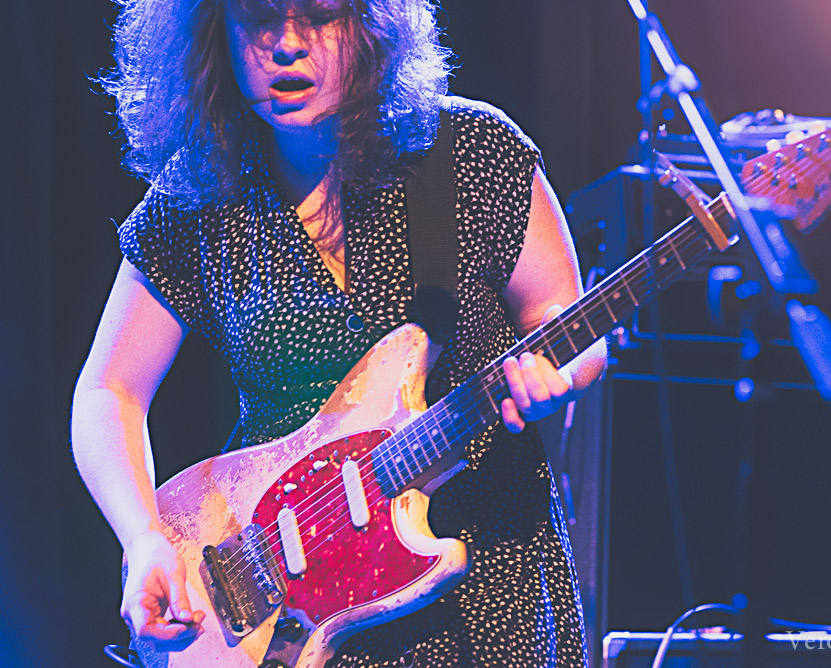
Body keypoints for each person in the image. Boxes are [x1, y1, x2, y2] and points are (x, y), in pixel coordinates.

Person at [71, 0, 607, 665]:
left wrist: (561, 376)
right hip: (286, 614)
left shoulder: (471, 151)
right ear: (214, 33)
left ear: (372, 25)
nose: (287, 44)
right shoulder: (202, 191)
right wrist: (144, 537)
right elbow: (108, 388)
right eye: (258, 19)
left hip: (490, 596)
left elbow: (563, 315)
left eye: (320, 15)